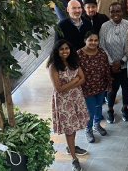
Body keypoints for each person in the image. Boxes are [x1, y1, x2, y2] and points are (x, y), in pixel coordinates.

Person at [48, 40, 88, 171]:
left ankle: (71, 147)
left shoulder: (73, 62)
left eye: (67, 48)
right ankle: (74, 158)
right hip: (64, 101)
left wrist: (71, 83)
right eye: (61, 49)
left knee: (74, 126)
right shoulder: (54, 67)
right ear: (56, 51)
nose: (65, 51)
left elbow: (82, 78)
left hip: (76, 98)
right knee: (69, 129)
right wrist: (75, 80)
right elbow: (59, 89)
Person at [99, 3, 128, 124]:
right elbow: (102, 46)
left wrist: (121, 61)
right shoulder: (104, 27)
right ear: (109, 13)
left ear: (122, 12)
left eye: (118, 11)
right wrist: (112, 63)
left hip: (126, 63)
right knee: (112, 89)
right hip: (110, 65)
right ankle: (110, 110)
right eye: (112, 12)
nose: (115, 14)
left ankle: (125, 108)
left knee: (126, 88)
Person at [77, 31, 112, 143]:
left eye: (95, 40)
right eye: (90, 40)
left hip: (100, 86)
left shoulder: (101, 52)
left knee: (99, 108)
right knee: (90, 111)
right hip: (87, 88)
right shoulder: (78, 54)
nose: (93, 42)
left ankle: (97, 125)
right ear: (85, 40)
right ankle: (88, 130)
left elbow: (107, 68)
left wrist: (109, 83)